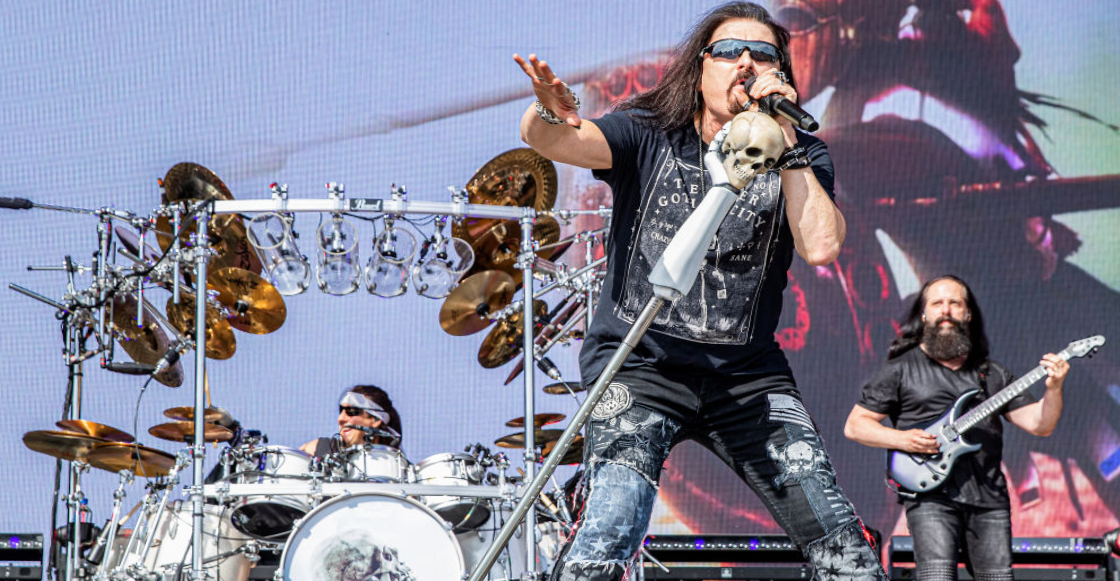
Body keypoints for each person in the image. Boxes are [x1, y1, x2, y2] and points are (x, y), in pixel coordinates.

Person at [514, 3, 886, 579]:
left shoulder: (803, 156)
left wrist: (786, 140)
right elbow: (557, 142)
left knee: (844, 546)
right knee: (612, 526)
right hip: (639, 367)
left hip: (746, 377)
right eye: (730, 51)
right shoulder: (648, 131)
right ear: (700, 67)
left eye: (763, 55)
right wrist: (546, 109)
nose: (746, 63)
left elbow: (821, 246)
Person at [844, 275, 1069, 580]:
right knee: (937, 575)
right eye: (937, 303)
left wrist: (1054, 388)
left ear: (968, 313)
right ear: (924, 315)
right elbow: (856, 426)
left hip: (989, 498)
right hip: (929, 496)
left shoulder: (993, 374)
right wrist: (903, 439)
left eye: (955, 303)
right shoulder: (900, 369)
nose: (946, 310)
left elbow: (1040, 425)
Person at [301, 385, 403, 458]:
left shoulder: (397, 467)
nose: (341, 418)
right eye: (341, 410)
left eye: (351, 411)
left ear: (375, 420)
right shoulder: (317, 449)